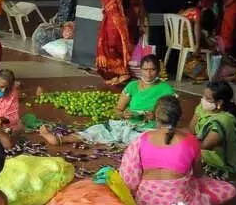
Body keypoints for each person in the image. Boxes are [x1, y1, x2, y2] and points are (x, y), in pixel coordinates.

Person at [119, 96, 236, 205]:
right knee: (228, 189)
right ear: (179, 118)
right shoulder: (191, 141)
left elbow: (129, 176)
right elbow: (198, 174)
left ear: (155, 117)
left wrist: (133, 192)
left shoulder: (142, 139)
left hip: (145, 201)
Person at [40, 54, 176, 146]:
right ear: (140, 70)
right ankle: (60, 139)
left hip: (148, 129)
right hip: (127, 125)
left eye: (152, 70)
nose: (148, 73)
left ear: (158, 71)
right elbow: (117, 110)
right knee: (96, 131)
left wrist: (154, 115)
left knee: (148, 142)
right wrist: (124, 114)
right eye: (145, 70)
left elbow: (172, 117)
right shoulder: (132, 86)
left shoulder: (166, 89)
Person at [96, 0, 146, 85]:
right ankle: (121, 74)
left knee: (111, 48)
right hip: (131, 21)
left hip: (115, 22)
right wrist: (142, 24)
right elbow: (140, 6)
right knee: (125, 47)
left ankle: (120, 74)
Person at [188, 80, 236, 176]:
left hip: (218, 163)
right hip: (199, 150)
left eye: (208, 98)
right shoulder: (203, 108)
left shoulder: (223, 121)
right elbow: (191, 130)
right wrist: (197, 114)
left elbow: (204, 146)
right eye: (203, 96)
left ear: (219, 102)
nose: (203, 100)